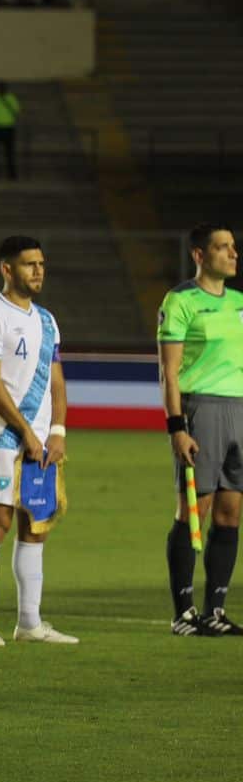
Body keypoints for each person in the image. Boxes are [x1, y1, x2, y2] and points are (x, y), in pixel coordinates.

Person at [0, 236, 77, 646]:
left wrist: (57, 432)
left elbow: (57, 382)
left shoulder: (47, 321)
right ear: (6, 269)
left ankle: (29, 623)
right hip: (3, 438)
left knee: (36, 526)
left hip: (42, 444)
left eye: (41, 264)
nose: (38, 271)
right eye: (29, 264)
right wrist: (27, 432)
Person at [160, 223, 243, 636]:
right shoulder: (180, 301)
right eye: (222, 247)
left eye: (233, 247)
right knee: (196, 512)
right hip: (201, 410)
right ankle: (183, 612)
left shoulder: (240, 303)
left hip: (239, 411)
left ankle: (216, 610)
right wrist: (177, 427)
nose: (233, 253)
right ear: (199, 255)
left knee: (230, 514)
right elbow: (169, 373)